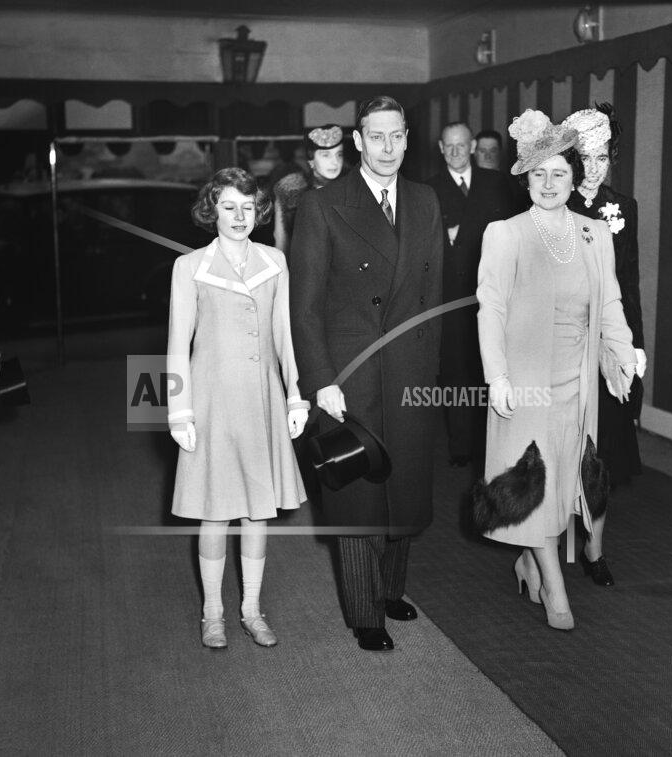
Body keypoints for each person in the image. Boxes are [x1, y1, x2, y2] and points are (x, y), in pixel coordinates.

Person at [289, 95, 443, 651]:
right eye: (376, 137)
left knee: (405, 483)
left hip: (411, 369)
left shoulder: (425, 200)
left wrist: (433, 376)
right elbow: (304, 308)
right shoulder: (322, 204)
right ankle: (363, 613)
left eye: (396, 135)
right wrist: (321, 380)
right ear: (357, 141)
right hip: (350, 374)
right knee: (358, 490)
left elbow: (433, 297)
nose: (387, 147)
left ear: (407, 137)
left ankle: (391, 590)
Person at [475, 109, 635, 631]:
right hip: (525, 381)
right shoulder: (506, 233)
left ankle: (528, 562)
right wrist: (497, 376)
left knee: (567, 481)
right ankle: (553, 585)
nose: (548, 184)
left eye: (559, 173)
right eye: (538, 174)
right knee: (535, 482)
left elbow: (609, 302)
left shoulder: (594, 233)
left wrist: (622, 355)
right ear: (525, 179)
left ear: (574, 176)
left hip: (576, 381)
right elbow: (491, 307)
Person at [167, 168, 309, 648]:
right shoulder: (189, 267)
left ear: (259, 211)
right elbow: (176, 345)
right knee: (214, 512)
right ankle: (212, 613)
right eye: (229, 206)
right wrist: (178, 411)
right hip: (211, 403)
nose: (239, 216)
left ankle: (251, 609)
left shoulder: (275, 261)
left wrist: (295, 394)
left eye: (248, 207)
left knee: (256, 512)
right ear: (212, 210)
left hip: (262, 401)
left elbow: (285, 335)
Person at [562, 104, 646, 587]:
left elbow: (629, 283)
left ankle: (594, 548)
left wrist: (635, 346)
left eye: (602, 158)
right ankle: (543, 545)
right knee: (560, 447)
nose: (594, 169)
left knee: (603, 449)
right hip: (565, 342)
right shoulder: (553, 199)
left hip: (609, 343)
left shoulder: (623, 207)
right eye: (585, 158)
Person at [426, 122, 514, 467]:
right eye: (448, 146)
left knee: (490, 368)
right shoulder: (428, 190)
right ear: (440, 148)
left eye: (461, 145)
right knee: (455, 371)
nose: (455, 152)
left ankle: (490, 443)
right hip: (450, 299)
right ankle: (461, 446)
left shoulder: (496, 183)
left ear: (473, 146)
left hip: (492, 293)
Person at [272, 125, 345, 255]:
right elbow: (281, 242)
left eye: (339, 155)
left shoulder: (352, 190)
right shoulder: (289, 190)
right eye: (326, 155)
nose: (335, 162)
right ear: (311, 159)